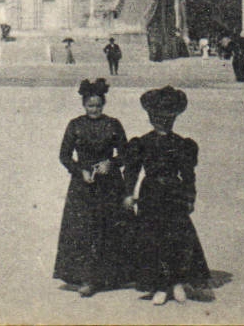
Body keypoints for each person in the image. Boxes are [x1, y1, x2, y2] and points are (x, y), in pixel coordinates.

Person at [122, 86, 210, 305]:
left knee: (177, 238)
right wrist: (128, 194)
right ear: (151, 118)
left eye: (168, 118)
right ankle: (160, 285)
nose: (163, 122)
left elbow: (188, 175)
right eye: (158, 118)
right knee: (152, 239)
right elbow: (131, 171)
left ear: (174, 119)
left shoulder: (182, 144)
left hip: (174, 194)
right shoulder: (141, 143)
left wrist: (190, 197)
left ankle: (177, 282)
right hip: (150, 195)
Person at [54, 79, 129, 297]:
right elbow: (64, 155)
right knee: (83, 230)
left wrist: (111, 163)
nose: (94, 109)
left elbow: (125, 153)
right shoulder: (75, 125)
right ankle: (86, 278)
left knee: (108, 228)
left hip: (110, 185)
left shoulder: (113, 124)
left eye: (98, 105)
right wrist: (80, 171)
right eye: (90, 105)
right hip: (83, 186)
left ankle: (109, 276)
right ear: (84, 105)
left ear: (103, 104)